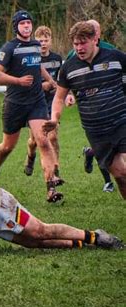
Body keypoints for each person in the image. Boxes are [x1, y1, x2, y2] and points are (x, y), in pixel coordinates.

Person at [0, 10, 63, 203]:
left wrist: (51, 80)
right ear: (16, 27)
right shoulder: (9, 48)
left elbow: (38, 66)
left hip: (36, 101)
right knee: (7, 146)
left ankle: (51, 187)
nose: (26, 26)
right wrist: (18, 81)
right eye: (22, 23)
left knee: (43, 141)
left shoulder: (35, 45)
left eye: (28, 23)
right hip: (15, 104)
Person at [43, 22, 126, 199]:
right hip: (96, 132)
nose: (79, 47)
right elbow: (58, 97)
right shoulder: (69, 68)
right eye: (75, 43)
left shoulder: (116, 57)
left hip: (121, 122)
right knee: (120, 176)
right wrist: (54, 119)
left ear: (95, 39)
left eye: (83, 42)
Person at [23, 26, 75, 177]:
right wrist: (41, 85)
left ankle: (56, 169)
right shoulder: (31, 60)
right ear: (35, 41)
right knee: (34, 140)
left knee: (53, 137)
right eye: (40, 40)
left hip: (52, 101)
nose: (43, 43)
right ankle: (31, 156)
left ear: (51, 41)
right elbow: (26, 82)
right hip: (34, 102)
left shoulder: (57, 59)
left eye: (46, 40)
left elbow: (63, 82)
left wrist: (68, 95)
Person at [72, 20, 116, 193]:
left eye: (96, 31)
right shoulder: (75, 54)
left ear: (98, 34)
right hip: (91, 110)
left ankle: (91, 152)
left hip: (114, 104)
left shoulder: (110, 50)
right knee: (105, 146)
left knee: (112, 147)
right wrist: (69, 95)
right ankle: (108, 182)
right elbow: (67, 79)